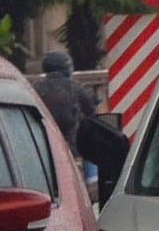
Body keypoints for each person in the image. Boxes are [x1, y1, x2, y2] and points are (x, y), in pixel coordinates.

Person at [34, 46, 128, 201]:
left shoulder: (36, 88)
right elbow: (90, 110)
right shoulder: (74, 87)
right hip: (73, 149)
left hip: (43, 149)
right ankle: (93, 184)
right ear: (67, 68)